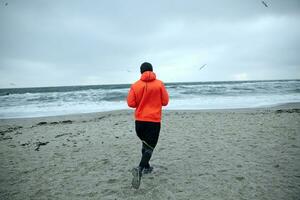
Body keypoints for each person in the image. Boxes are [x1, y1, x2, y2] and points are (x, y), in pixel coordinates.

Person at [127, 62, 169, 189]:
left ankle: (147, 167)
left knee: (145, 143)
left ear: (141, 72)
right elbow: (165, 102)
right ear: (152, 70)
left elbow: (131, 103)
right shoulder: (159, 84)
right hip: (153, 121)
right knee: (150, 146)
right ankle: (140, 169)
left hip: (139, 121)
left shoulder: (135, 85)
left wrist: (142, 101)